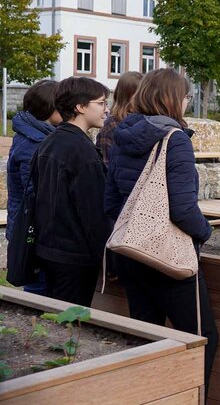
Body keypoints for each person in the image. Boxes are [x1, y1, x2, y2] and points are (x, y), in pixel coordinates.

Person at [105, 68, 218, 387]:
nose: (186, 104)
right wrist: (206, 232)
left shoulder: (122, 135)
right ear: (172, 100)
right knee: (201, 340)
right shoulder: (175, 139)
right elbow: (183, 210)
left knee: (147, 341)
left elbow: (111, 203)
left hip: (131, 255)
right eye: (186, 98)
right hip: (168, 260)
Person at [29, 77, 109, 306]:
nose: (106, 109)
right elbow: (94, 213)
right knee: (69, 324)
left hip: (48, 249)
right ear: (80, 107)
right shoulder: (82, 152)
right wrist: (106, 257)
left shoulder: (49, 141)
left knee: (57, 318)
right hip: (74, 255)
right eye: (101, 102)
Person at [6, 80, 62, 295]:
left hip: (28, 227)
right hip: (32, 232)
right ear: (49, 107)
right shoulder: (35, 143)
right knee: (39, 291)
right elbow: (35, 195)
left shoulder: (33, 134)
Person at [96, 71, 143, 165]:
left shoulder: (146, 120)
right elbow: (105, 164)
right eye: (141, 93)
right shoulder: (111, 125)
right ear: (129, 95)